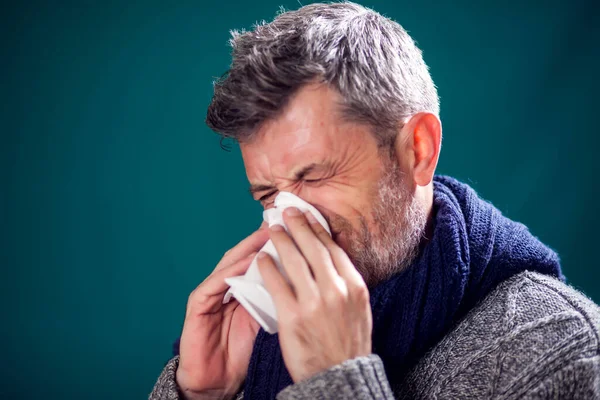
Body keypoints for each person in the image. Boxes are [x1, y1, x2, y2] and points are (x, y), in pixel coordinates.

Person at [150, 2, 600, 399]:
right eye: (269, 194)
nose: (289, 220)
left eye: (316, 175)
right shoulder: (257, 339)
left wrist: (335, 381)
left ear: (417, 150)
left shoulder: (566, 358)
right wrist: (203, 395)